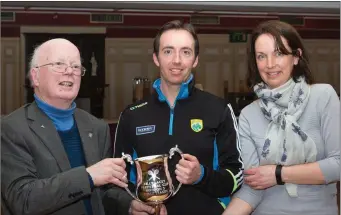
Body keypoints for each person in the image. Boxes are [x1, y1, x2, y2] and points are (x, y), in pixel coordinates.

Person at [105, 20, 244, 215]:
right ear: (156, 58)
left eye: (186, 52)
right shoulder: (132, 115)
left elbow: (237, 176)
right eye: (168, 51)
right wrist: (130, 204)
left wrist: (201, 176)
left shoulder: (219, 109)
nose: (176, 60)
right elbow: (115, 182)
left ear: (195, 60)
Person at [223, 20, 340, 215]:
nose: (270, 64)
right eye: (261, 56)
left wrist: (279, 174)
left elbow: (338, 164)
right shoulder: (248, 115)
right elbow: (253, 187)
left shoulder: (323, 96)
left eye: (278, 53)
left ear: (296, 57)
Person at [1, 38, 128, 215]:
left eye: (76, 66)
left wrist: (129, 206)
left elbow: (104, 193)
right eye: (59, 64)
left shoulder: (97, 127)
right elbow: (23, 199)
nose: (69, 72)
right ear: (35, 76)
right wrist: (88, 177)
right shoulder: (11, 128)